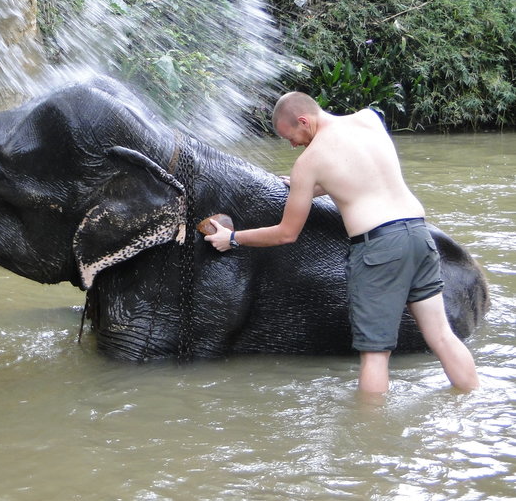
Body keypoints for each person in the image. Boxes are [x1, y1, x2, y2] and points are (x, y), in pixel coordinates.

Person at [205, 92, 479, 394]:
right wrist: (317, 186)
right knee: (441, 336)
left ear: (303, 121)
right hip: (419, 235)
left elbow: (286, 233)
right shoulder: (369, 119)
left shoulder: (310, 161)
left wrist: (232, 238)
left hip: (380, 248)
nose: (293, 144)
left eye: (290, 136)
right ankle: (470, 404)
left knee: (375, 355)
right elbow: (362, 169)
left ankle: (370, 439)